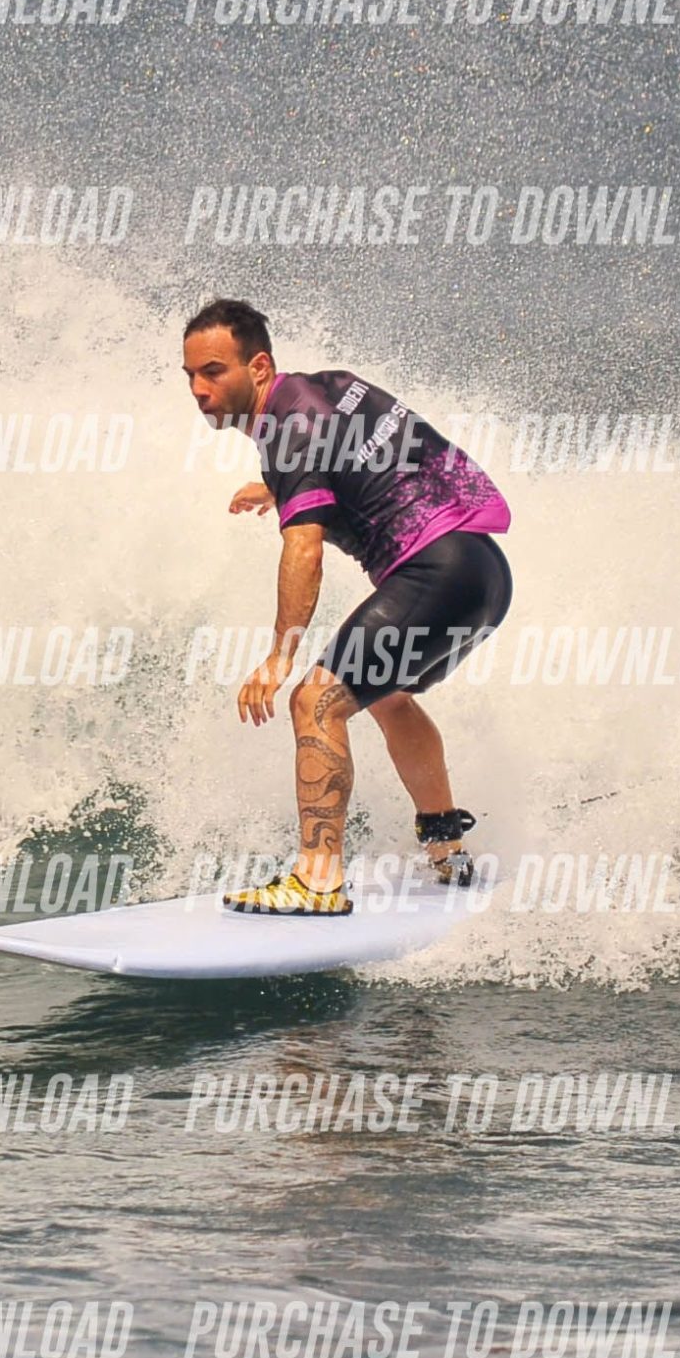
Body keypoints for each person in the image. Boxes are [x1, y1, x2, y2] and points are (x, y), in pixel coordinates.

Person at [181, 298, 512, 916]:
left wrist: (280, 657)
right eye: (191, 375)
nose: (199, 389)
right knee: (386, 696)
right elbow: (363, 450)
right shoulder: (327, 387)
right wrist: (278, 486)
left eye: (214, 371)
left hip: (433, 573)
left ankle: (317, 880)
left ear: (258, 367)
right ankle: (447, 850)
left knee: (316, 701)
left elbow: (304, 550)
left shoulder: (287, 434)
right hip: (484, 575)